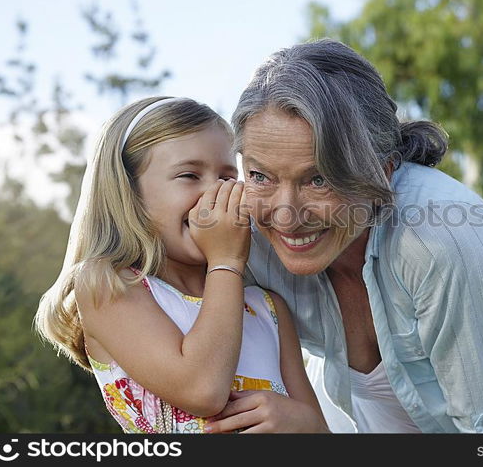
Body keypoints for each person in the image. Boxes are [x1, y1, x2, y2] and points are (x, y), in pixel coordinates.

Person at [208, 39, 483, 433]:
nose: (285, 214)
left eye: (319, 179)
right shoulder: (241, 233)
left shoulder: (443, 245)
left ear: (382, 169)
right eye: (261, 176)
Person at [35, 96, 327, 433]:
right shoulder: (108, 285)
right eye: (189, 175)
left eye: (228, 177)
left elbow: (321, 432)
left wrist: (307, 424)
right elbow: (202, 390)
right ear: (130, 195)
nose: (214, 193)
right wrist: (226, 261)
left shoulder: (268, 309)